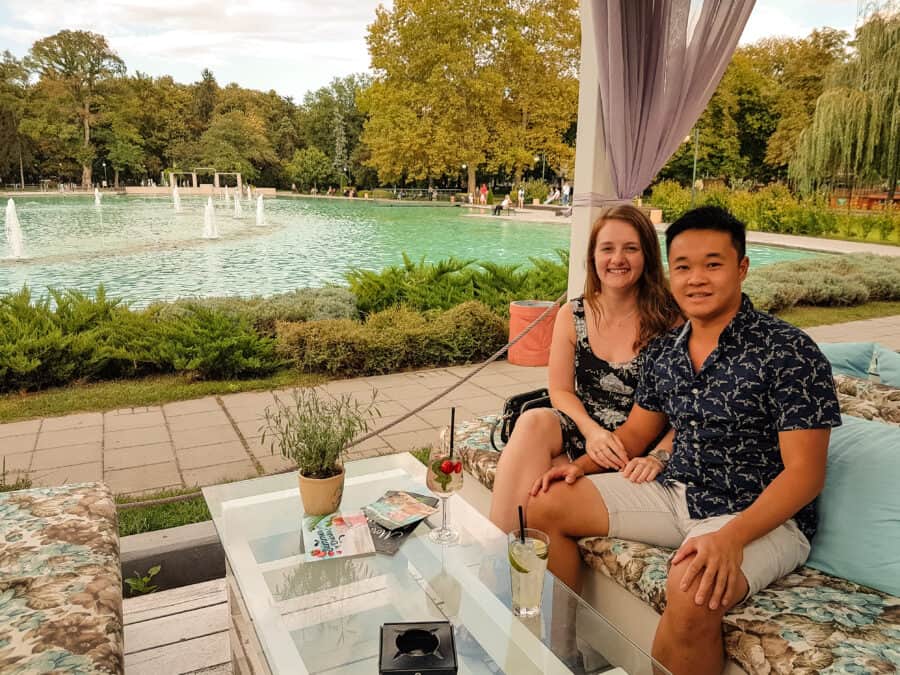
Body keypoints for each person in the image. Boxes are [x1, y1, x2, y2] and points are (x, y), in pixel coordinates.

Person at [527, 206, 841, 675]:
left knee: (693, 586)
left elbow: (805, 474)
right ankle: (561, 655)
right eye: (684, 266)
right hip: (676, 492)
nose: (696, 279)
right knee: (545, 504)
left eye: (713, 264)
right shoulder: (667, 351)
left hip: (756, 515)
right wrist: (583, 467)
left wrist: (730, 538)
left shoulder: (790, 352)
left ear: (742, 267)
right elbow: (637, 432)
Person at [489, 204, 682, 534]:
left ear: (648, 255)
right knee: (533, 420)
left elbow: (686, 408)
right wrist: (591, 430)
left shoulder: (671, 319)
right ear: (593, 257)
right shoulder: (573, 314)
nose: (617, 259)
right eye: (607, 249)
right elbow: (560, 390)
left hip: (635, 444)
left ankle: (514, 557)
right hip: (585, 427)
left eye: (630, 248)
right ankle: (498, 551)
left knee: (546, 487)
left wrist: (660, 455)